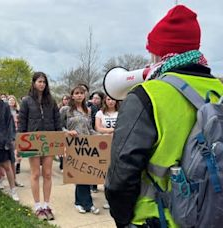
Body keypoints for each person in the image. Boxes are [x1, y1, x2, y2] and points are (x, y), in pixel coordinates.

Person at [105, 5, 223, 228]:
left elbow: (121, 175)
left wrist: (123, 220)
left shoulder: (147, 95)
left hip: (155, 219)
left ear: (159, 53)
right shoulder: (219, 90)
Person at [18, 72, 61, 220]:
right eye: (39, 81)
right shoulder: (26, 101)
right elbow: (22, 122)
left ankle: (46, 205)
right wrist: (20, 144)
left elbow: (57, 121)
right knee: (35, 174)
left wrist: (59, 140)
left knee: (48, 174)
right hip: (32, 140)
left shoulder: (52, 101)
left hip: (49, 140)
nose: (41, 84)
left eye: (44, 82)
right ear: (34, 83)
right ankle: (37, 206)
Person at [60, 86, 100, 215]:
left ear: (85, 95)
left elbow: (90, 128)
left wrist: (100, 137)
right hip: (73, 144)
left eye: (81, 93)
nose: (79, 95)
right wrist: (67, 132)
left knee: (86, 174)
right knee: (80, 174)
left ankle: (81, 202)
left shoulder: (87, 110)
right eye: (76, 93)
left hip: (88, 146)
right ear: (72, 95)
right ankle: (86, 204)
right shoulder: (66, 110)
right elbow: (58, 126)